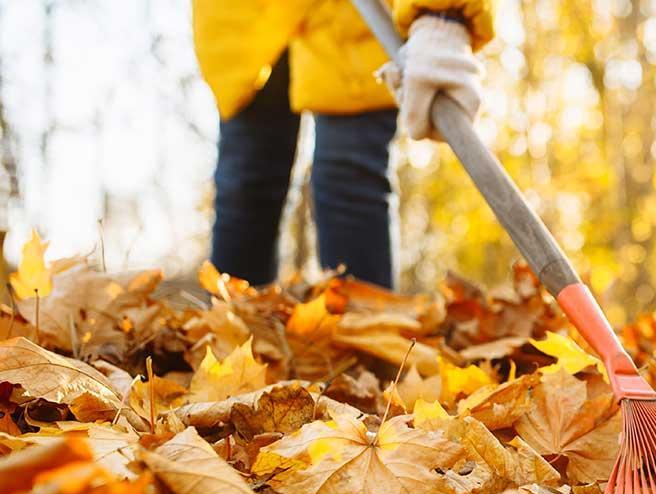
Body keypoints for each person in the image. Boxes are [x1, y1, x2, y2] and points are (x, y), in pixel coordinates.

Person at [192, 0, 491, 288]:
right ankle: (231, 329)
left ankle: (363, 333)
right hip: (245, 21)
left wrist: (441, 17)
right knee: (247, 186)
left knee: (349, 177)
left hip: (354, 20)